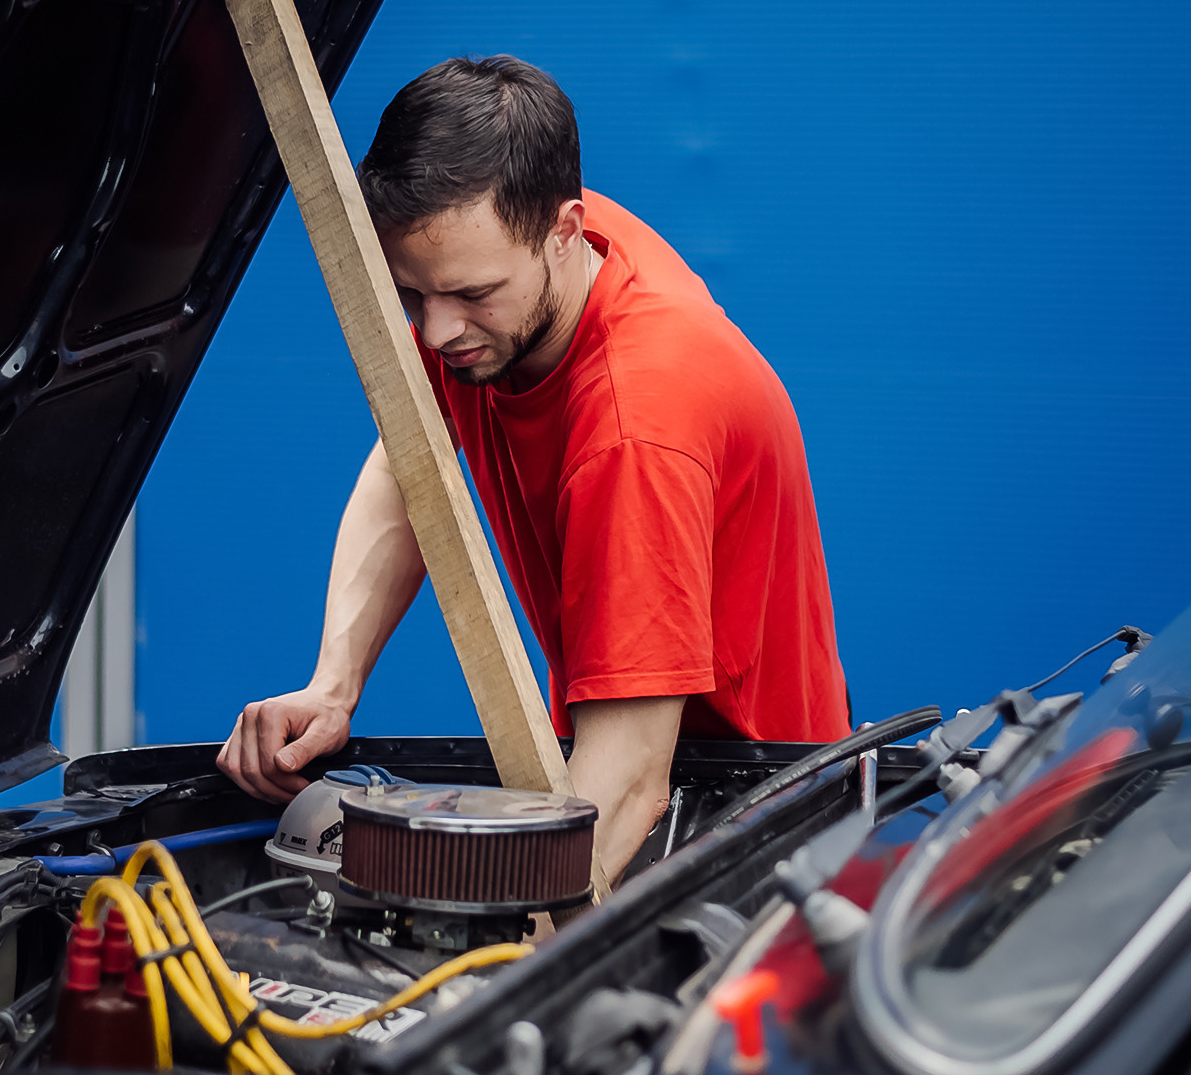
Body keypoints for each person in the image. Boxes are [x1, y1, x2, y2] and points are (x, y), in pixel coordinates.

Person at [218, 57, 851, 887]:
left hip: (745, 821)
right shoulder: (518, 256)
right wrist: (334, 684)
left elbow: (629, 784)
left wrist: (491, 974)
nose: (439, 333)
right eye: (413, 295)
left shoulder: (638, 428)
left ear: (564, 230)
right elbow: (411, 458)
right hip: (633, 769)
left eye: (471, 294)